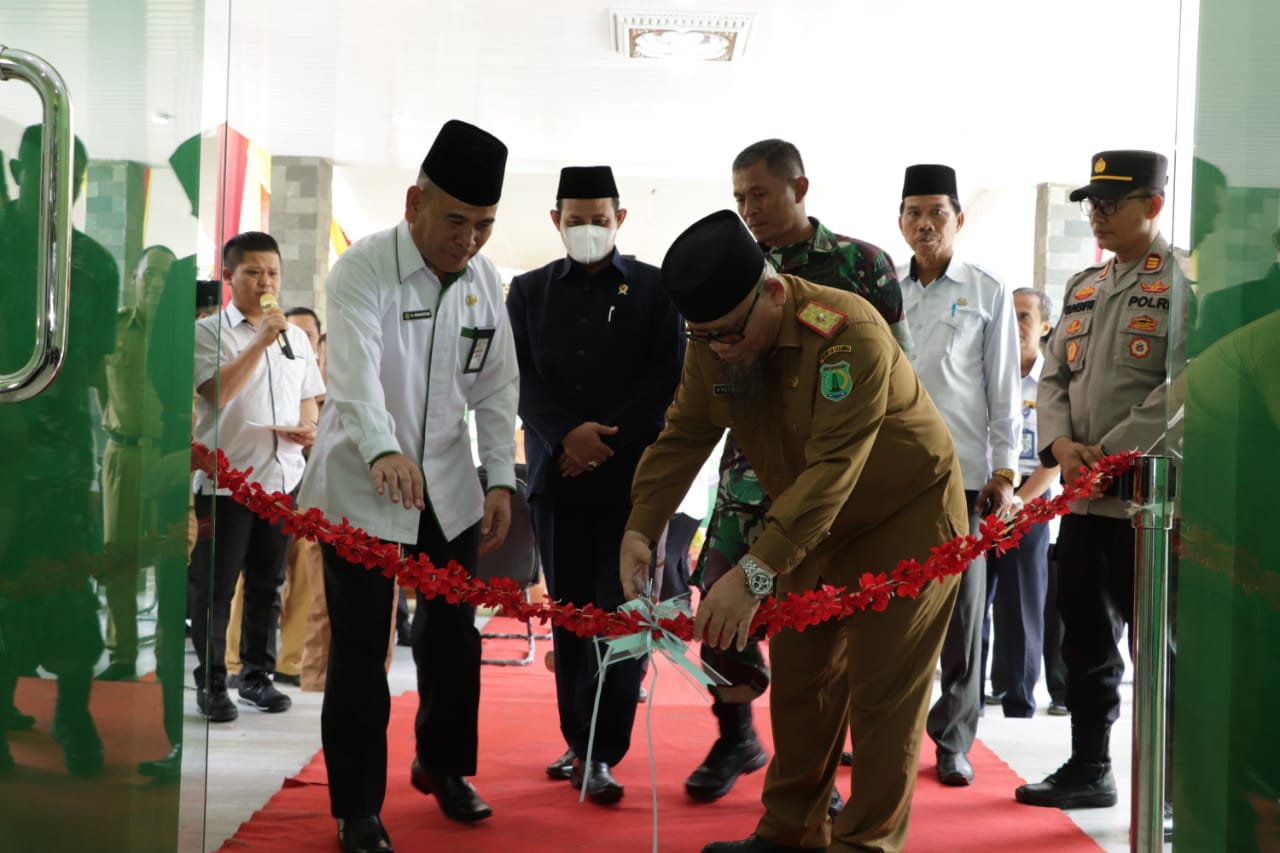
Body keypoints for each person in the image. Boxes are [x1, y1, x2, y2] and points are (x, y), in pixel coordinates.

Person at [620, 210, 965, 853]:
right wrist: (642, 526)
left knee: (881, 698)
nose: (719, 348)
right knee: (803, 686)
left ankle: (865, 844)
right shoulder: (712, 342)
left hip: (904, 523)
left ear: (774, 292)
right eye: (704, 336)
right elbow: (685, 434)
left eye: (727, 334)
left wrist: (754, 572)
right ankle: (789, 834)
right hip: (809, 527)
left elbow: (835, 468)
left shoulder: (846, 332)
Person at [297, 119, 518, 853]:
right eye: (456, 219)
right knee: (361, 649)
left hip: (450, 487)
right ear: (414, 201)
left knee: (453, 636)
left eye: (484, 223)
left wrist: (499, 477)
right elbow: (353, 373)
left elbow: (496, 387)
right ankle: (357, 807)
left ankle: (445, 765)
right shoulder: (362, 269)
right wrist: (384, 446)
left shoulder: (486, 283)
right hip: (365, 484)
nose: (469, 239)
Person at [685, 138, 911, 810]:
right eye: (739, 198)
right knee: (720, 618)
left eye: (759, 194)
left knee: (817, 634)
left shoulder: (859, 264)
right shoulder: (731, 263)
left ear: (799, 187)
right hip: (747, 474)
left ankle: (807, 776)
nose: (748, 208)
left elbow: (892, 376)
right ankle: (736, 736)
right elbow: (702, 387)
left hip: (830, 479)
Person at [507, 165, 684, 803]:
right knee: (572, 620)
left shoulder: (659, 290)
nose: (588, 229)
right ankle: (577, 741)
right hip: (558, 479)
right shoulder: (526, 293)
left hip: (633, 483)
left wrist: (600, 440)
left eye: (599, 220)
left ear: (621, 220)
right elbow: (519, 379)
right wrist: (564, 435)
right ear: (556, 221)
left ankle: (601, 751)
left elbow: (669, 378)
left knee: (625, 614)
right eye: (575, 220)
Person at [1016, 149, 1185, 812]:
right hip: (1083, 502)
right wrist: (1060, 444)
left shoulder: (1182, 283)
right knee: (1082, 638)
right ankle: (1090, 765)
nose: (1098, 215)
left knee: (1162, 649)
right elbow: (1053, 375)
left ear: (1153, 205)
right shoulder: (1084, 285)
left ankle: (1176, 784)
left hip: (1147, 501)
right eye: (1092, 203)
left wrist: (1110, 452)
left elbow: (1183, 389)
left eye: (1111, 203)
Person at [896, 163, 1021, 786]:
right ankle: (883, 732)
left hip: (964, 480)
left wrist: (1005, 470)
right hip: (890, 478)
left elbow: (1002, 391)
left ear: (958, 220)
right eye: (914, 212)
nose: (925, 224)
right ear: (900, 221)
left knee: (963, 619)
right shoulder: (883, 289)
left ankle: (953, 740)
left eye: (937, 213)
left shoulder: (987, 290)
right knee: (887, 608)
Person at [0, 126, 120, 776]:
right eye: (40, 168)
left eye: (66, 175)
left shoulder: (95, 263)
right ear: (18, 170)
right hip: (1, 459)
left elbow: (96, 368)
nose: (53, 185)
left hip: (67, 457)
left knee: (72, 589)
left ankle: (73, 711)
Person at [190, 231, 324, 723]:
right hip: (225, 483)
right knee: (216, 587)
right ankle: (211, 683)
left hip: (279, 479)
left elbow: (309, 394)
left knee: (269, 585)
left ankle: (257, 677)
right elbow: (216, 394)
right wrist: (260, 340)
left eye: (272, 273)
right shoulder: (208, 333)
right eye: (253, 273)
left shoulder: (296, 336)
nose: (265, 282)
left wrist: (307, 428)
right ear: (228, 277)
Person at [980, 287, 1062, 718]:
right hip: (986, 492)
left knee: (1022, 600)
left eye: (1025, 316)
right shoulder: (989, 369)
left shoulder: (1054, 379)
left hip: (1031, 497)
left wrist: (1021, 502)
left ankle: (1018, 697)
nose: (1015, 325)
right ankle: (972, 692)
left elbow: (1056, 452)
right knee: (975, 598)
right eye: (1009, 315)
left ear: (1045, 325)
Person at [97, 245, 178, 683]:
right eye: (150, 276)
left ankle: (167, 657)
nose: (157, 284)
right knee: (119, 556)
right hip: (122, 455)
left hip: (168, 458)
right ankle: (122, 653)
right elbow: (97, 387)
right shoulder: (113, 330)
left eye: (166, 277)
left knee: (167, 558)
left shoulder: (185, 334)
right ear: (135, 278)